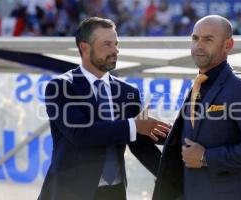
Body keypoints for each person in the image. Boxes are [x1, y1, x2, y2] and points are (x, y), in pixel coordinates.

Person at [38, 17, 170, 200]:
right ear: (84, 47)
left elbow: (140, 143)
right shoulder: (61, 87)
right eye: (107, 44)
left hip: (114, 193)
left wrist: (174, 177)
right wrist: (134, 126)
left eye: (116, 44)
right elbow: (80, 133)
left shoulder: (127, 92)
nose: (115, 50)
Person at [153, 15, 241, 200]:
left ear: (228, 45)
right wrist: (157, 132)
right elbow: (201, 135)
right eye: (195, 38)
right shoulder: (198, 84)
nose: (199, 45)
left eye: (208, 39)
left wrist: (206, 158)